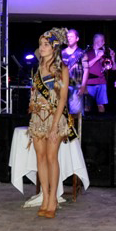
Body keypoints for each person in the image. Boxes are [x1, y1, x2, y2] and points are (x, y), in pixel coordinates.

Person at [29, 28, 76, 218]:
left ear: (54, 48)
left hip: (54, 117)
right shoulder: (37, 68)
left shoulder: (62, 69)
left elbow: (63, 98)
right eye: (40, 44)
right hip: (37, 117)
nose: (42, 48)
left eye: (46, 45)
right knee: (40, 158)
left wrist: (55, 125)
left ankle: (53, 199)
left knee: (51, 157)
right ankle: (45, 196)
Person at [80, 33, 116, 114]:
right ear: (96, 41)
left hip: (101, 82)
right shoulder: (87, 52)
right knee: (87, 106)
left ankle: (102, 121)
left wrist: (113, 58)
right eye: (102, 41)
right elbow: (85, 65)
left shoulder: (105, 54)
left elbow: (113, 68)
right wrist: (98, 57)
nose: (104, 43)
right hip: (89, 83)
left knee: (101, 105)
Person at [61, 29, 84, 115]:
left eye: (71, 37)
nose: (69, 38)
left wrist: (83, 85)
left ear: (77, 39)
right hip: (63, 85)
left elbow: (86, 70)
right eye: (67, 37)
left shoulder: (81, 53)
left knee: (75, 112)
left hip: (76, 85)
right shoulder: (62, 53)